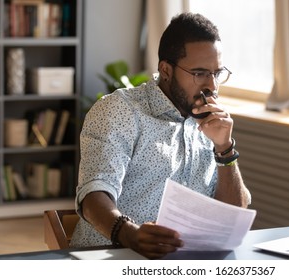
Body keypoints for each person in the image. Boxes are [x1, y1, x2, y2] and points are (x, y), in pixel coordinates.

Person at [70, 12, 251, 259]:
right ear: (166, 70)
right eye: (199, 73)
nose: (212, 86)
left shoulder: (210, 123)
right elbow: (93, 194)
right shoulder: (120, 111)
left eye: (216, 73)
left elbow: (232, 217)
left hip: (182, 263)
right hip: (108, 259)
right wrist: (130, 234)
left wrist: (224, 148)